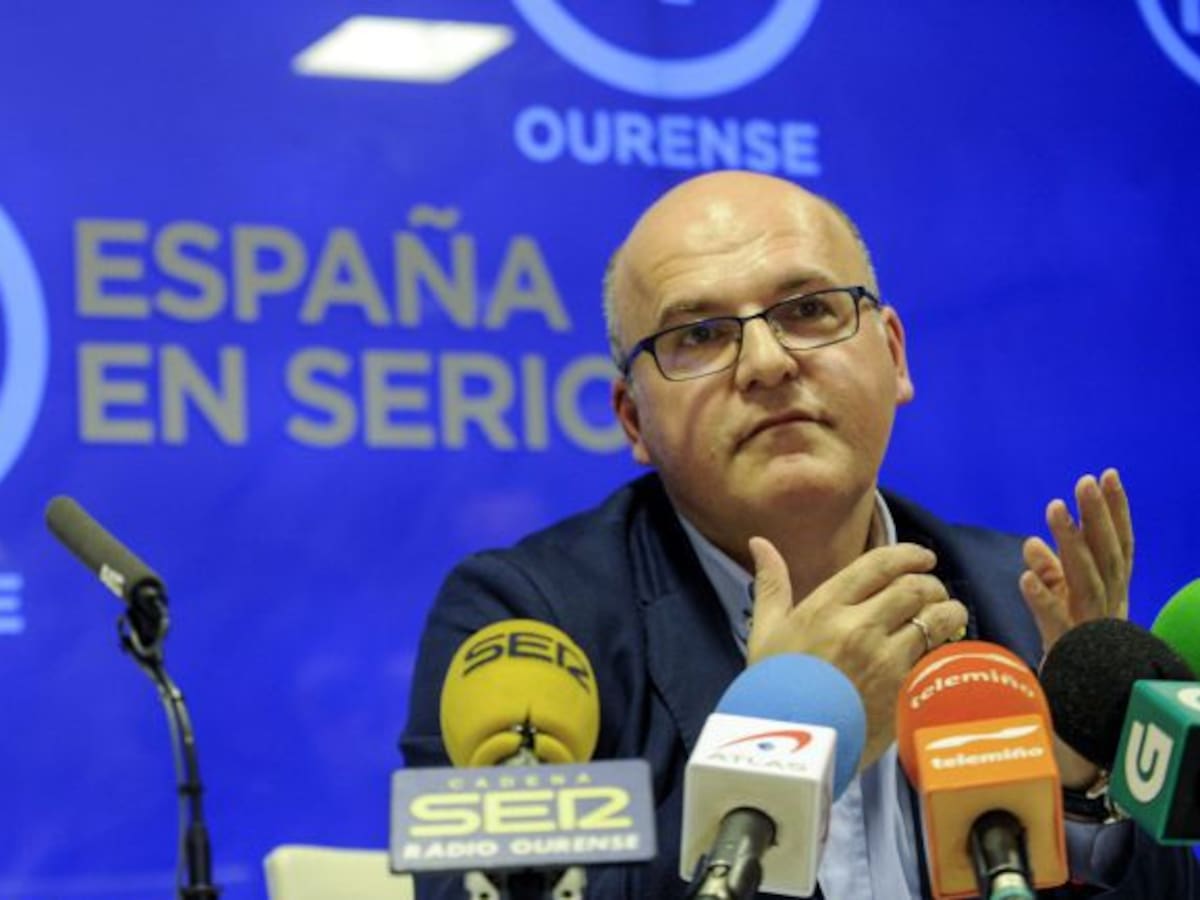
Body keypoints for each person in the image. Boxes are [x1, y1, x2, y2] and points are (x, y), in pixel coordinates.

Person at [401, 171, 1199, 897]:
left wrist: (1084, 783)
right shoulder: (528, 630)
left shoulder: (1019, 607)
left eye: (808, 311)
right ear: (634, 419)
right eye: (700, 335)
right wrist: (785, 747)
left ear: (893, 355)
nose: (767, 362)